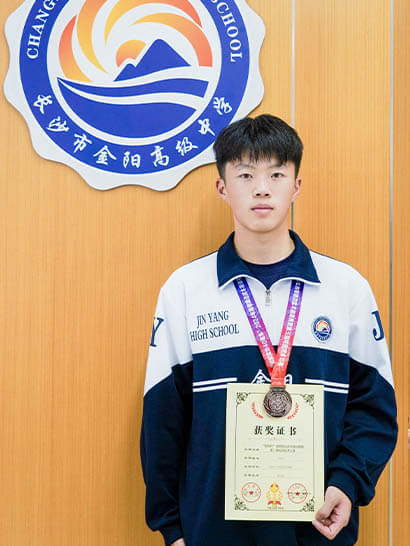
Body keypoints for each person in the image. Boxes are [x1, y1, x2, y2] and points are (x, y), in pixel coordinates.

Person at [140, 114, 397, 545]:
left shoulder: (346, 288)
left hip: (317, 527)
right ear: (222, 187)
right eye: (245, 174)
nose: (262, 188)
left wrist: (348, 482)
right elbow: (162, 418)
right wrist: (171, 528)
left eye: (276, 174)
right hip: (212, 531)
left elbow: (375, 408)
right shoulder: (184, 290)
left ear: (296, 186)